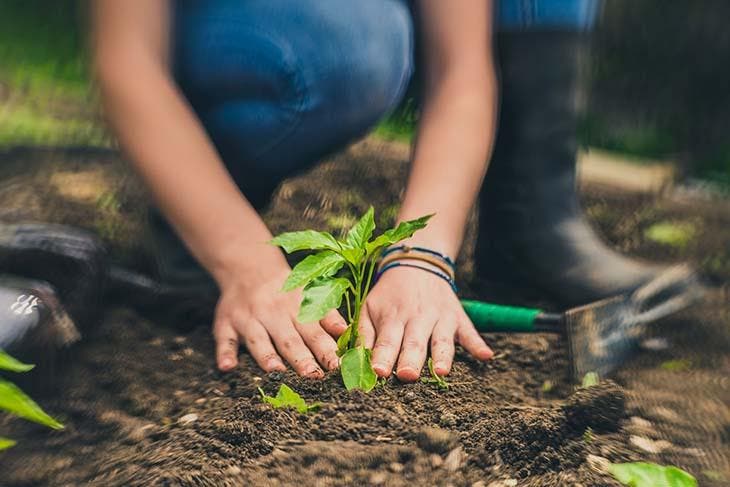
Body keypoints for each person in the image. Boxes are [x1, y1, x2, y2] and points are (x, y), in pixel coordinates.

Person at [90, 0, 660, 382]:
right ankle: (199, 211)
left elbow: (460, 69)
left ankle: (532, 228)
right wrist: (250, 265)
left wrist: (422, 256)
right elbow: (126, 58)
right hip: (222, 34)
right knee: (347, 49)